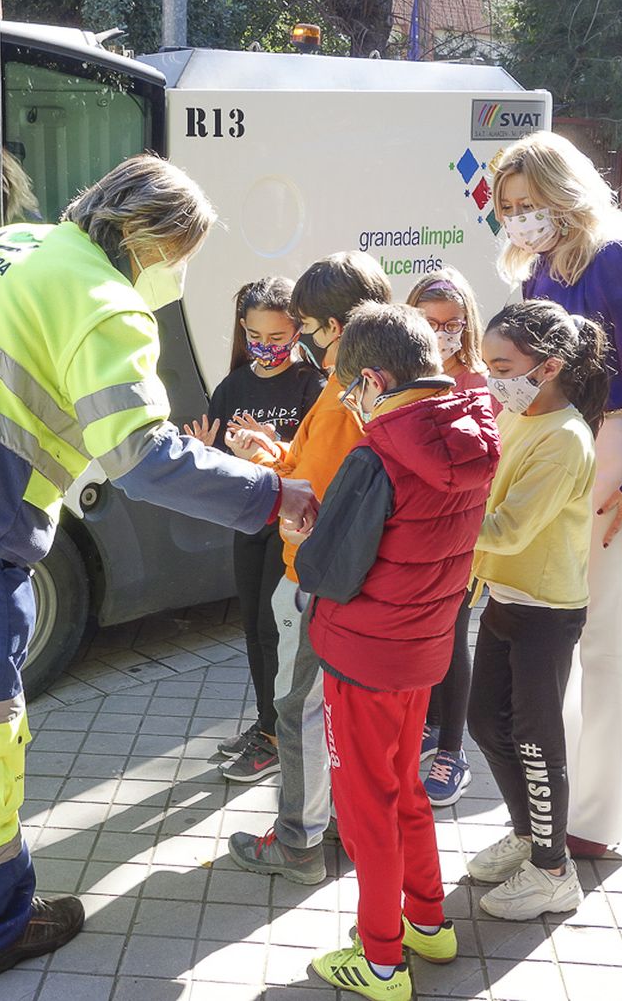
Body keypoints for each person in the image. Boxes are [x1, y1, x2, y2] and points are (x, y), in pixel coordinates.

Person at [0, 155, 319, 978]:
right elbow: (140, 458)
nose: (177, 271)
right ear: (148, 239)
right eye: (179, 251)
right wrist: (269, 494)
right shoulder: (107, 302)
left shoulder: (7, 243)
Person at [491, 131, 622, 858]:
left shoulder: (614, 263)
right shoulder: (539, 273)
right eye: (508, 206)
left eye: (530, 202)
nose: (518, 216)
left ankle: (597, 821)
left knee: (603, 639)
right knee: (570, 643)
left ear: (563, 194)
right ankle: (570, 805)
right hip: (569, 464)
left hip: (621, 464)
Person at [294, 302, 499, 1000]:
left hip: (361, 657)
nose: (352, 402)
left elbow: (328, 565)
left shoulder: (377, 451)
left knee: (364, 806)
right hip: (422, 651)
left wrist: (298, 533)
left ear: (376, 379)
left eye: (352, 388)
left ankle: (381, 960)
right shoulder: (474, 434)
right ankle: (428, 922)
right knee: (405, 788)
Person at [225, 252, 392, 886]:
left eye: (312, 328)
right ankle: (336, 828)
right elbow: (311, 461)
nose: (307, 341)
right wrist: (276, 453)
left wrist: (271, 472)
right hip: (320, 575)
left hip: (319, 580)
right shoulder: (340, 383)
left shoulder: (355, 392)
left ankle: (298, 842)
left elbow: (322, 493)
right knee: (327, 713)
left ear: (343, 325)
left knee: (299, 712)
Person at [464, 300, 606, 920]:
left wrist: (430, 518)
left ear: (548, 366)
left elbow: (510, 528)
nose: (492, 377)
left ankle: (554, 871)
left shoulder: (566, 437)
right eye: (487, 363)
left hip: (546, 610)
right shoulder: (520, 412)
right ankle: (529, 837)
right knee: (486, 725)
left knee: (535, 741)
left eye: (502, 365)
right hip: (505, 597)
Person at [184, 277, 325, 782]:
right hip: (250, 520)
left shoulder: (313, 386)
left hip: (293, 524)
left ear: (298, 332)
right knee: (252, 626)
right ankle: (267, 721)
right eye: (256, 337)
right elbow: (221, 462)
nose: (266, 348)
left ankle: (274, 735)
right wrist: (205, 452)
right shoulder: (233, 386)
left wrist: (272, 444)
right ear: (243, 332)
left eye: (278, 337)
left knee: (275, 629)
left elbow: (316, 458)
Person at [406, 271, 489, 807]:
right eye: (429, 323)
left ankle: (451, 751)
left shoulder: (481, 383)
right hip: (415, 534)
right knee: (420, 639)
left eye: (452, 324)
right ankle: (428, 726)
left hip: (463, 535)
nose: (442, 334)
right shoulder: (403, 376)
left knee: (453, 637)